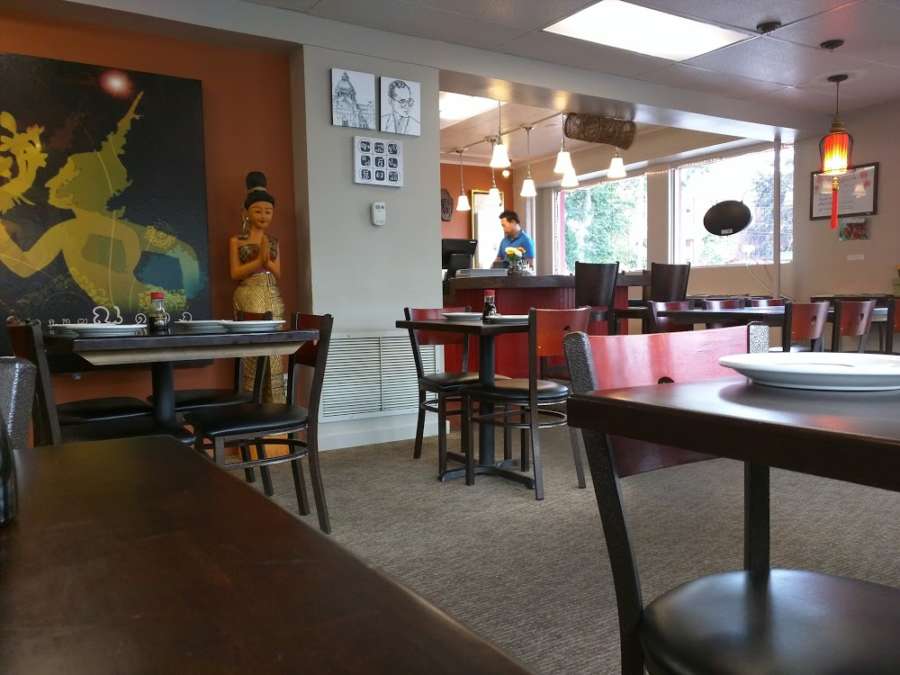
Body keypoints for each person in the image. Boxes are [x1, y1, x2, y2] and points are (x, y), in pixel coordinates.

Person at [229, 171, 285, 403]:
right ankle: (250, 405)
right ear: (245, 213)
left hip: (271, 293)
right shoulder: (237, 241)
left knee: (274, 352)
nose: (263, 216)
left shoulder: (273, 242)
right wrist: (258, 261)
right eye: (258, 211)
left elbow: (278, 273)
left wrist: (267, 261)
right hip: (248, 293)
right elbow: (235, 274)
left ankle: (276, 407)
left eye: (268, 211)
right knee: (253, 350)